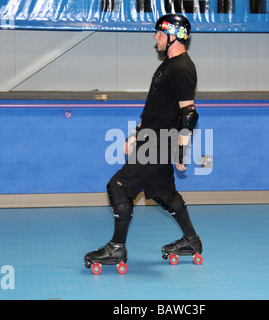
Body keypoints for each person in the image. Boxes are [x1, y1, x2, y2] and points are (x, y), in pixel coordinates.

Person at [84, 14, 202, 274]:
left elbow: (189, 115)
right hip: (152, 138)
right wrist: (135, 134)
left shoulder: (182, 68)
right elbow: (157, 109)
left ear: (174, 36)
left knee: (118, 188)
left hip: (159, 143)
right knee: (164, 193)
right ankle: (192, 240)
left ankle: (117, 247)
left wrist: (181, 150)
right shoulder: (169, 65)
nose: (155, 38)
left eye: (159, 34)